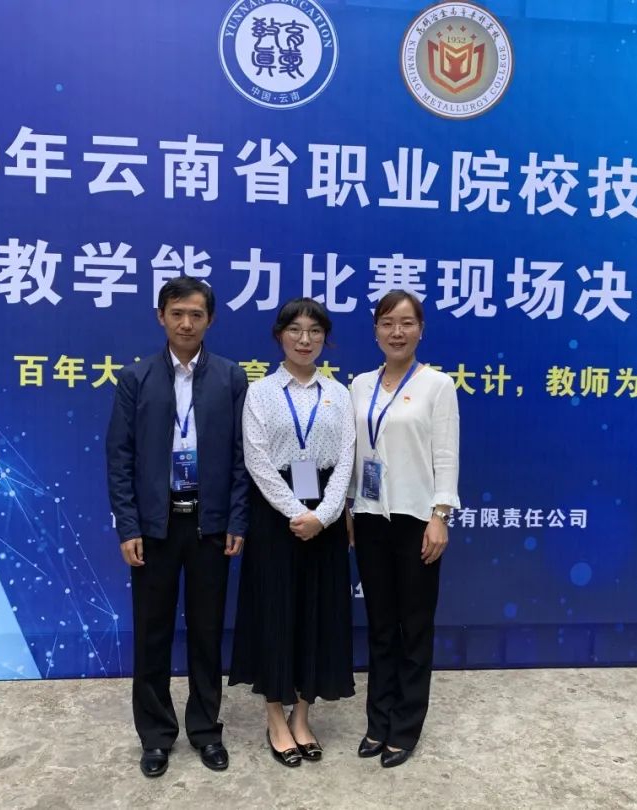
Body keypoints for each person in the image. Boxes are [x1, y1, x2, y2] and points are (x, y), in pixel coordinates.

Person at [105, 276, 249, 778]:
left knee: (207, 634)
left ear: (210, 319)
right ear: (160, 316)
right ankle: (156, 736)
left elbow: (241, 457)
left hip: (209, 526)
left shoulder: (230, 377)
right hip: (155, 527)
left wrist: (236, 518)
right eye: (177, 313)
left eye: (196, 314)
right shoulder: (136, 378)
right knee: (152, 635)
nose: (186, 323)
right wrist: (129, 526)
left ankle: (206, 731)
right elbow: (119, 458)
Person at [230, 298, 356, 768]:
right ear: (279, 335)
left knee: (318, 614)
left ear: (325, 339)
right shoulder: (260, 392)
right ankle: (275, 718)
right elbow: (257, 460)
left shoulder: (338, 393)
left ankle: (302, 715)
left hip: (325, 516)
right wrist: (296, 512)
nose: (305, 340)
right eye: (296, 330)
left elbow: (347, 457)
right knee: (275, 612)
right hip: (274, 515)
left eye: (315, 331)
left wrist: (324, 515)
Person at [347, 289, 460, 768]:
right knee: (380, 626)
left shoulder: (437, 385)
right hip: (370, 518)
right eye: (388, 323)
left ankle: (406, 726)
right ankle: (378, 721)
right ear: (375, 330)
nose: (397, 332)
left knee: (413, 627)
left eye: (407, 323)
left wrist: (440, 515)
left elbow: (446, 455)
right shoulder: (359, 385)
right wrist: (349, 507)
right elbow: (354, 453)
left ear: (421, 330)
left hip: (417, 520)